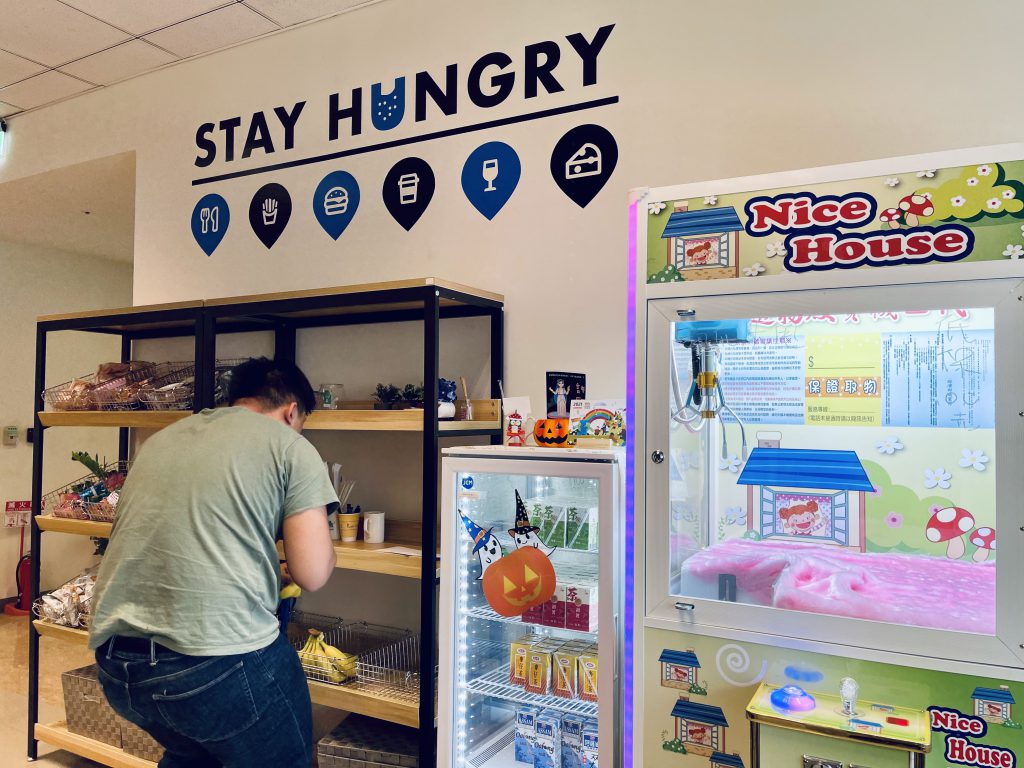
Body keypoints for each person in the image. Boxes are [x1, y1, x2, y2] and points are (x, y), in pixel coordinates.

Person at [88, 358, 338, 768]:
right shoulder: (291, 446)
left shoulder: (163, 439)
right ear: (292, 411)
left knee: (194, 755)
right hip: (212, 665)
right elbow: (312, 573)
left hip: (119, 668)